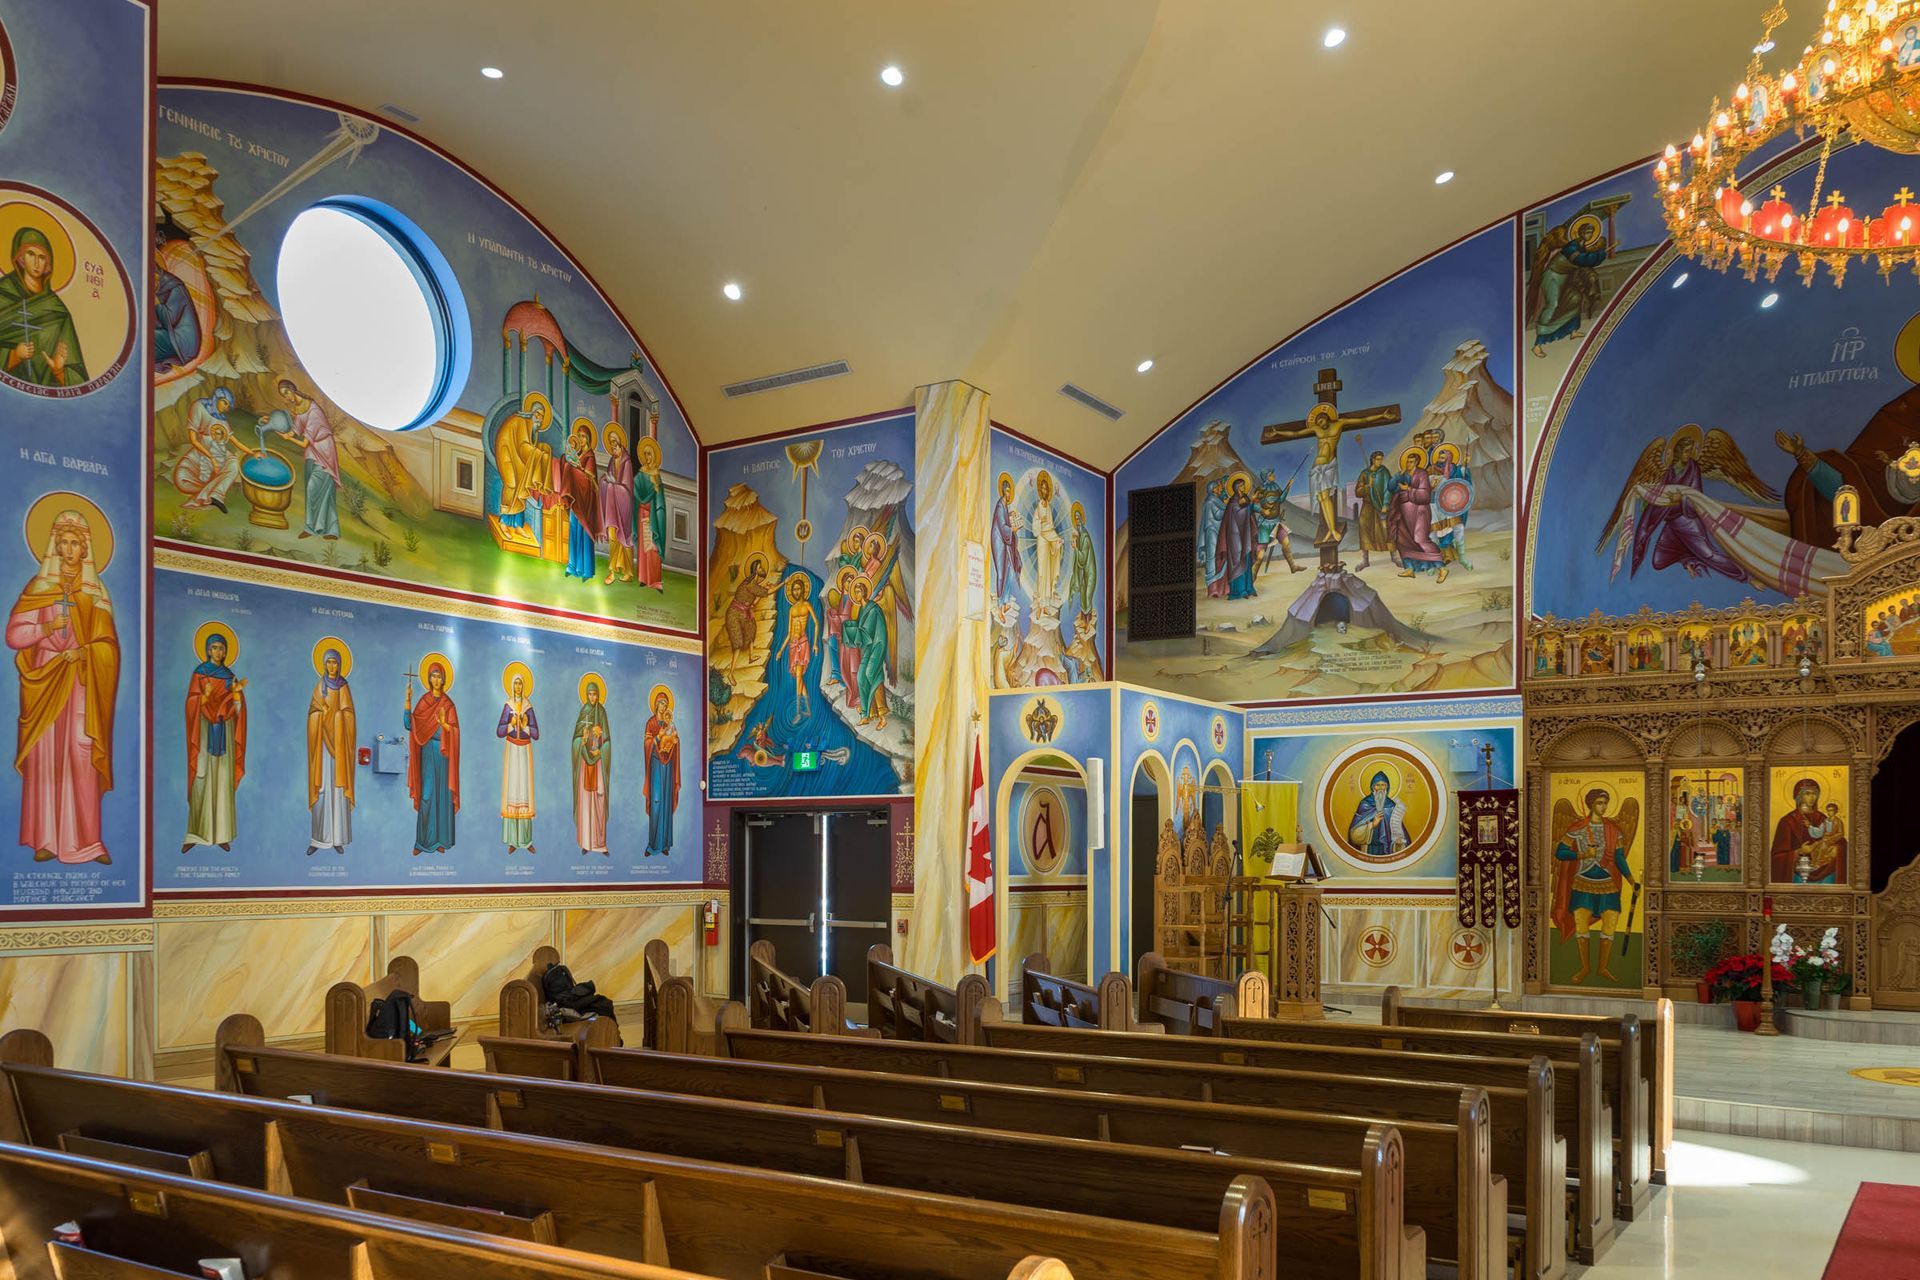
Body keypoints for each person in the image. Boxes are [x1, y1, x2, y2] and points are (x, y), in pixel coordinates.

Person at [7, 508, 118, 864]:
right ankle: (46, 839)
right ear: (54, 546)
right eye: (64, 542)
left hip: (81, 681)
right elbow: (14, 635)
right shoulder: (38, 587)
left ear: (85, 549)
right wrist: (46, 629)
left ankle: (87, 841)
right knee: (45, 757)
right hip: (44, 681)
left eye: (76, 543)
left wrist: (83, 653)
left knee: (81, 753)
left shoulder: (95, 591)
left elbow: (108, 647)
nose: (69, 549)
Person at [1551, 789, 1639, 984]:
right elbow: (1560, 852)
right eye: (1599, 802)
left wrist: (1631, 880)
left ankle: (1602, 968)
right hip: (1583, 881)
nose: (1603, 806)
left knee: (1610, 925)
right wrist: (1582, 855)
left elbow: (1618, 857)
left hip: (1608, 883)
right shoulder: (1578, 828)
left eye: (1605, 802)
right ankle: (1585, 968)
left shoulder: (1613, 829)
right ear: (1591, 804)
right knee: (1582, 925)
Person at [0, 226, 87, 389]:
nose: (36, 262)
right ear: (19, 257)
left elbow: (78, 377)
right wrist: (12, 355)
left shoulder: (57, 310)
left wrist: (59, 371)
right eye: (30, 254)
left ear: (48, 263)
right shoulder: (2, 295)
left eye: (42, 257)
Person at [182, 630, 245, 853]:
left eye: (223, 648)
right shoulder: (200, 674)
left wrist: (237, 696)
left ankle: (221, 834)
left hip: (225, 733)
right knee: (202, 779)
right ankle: (197, 834)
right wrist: (204, 698)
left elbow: (238, 711)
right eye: (216, 647)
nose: (220, 651)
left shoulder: (230, 677)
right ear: (208, 650)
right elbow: (191, 704)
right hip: (204, 732)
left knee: (223, 781)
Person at [1527, 213, 1611, 355]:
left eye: (1591, 232)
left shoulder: (1582, 246)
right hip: (1553, 276)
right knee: (1552, 305)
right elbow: (1581, 260)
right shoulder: (1571, 247)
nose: (1589, 235)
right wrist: (1601, 255)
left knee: (1575, 298)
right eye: (1587, 232)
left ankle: (1573, 330)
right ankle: (1538, 343)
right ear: (1581, 233)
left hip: (1566, 277)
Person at [405, 661, 460, 855]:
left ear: (444, 679)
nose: (436, 679)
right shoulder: (424, 702)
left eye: (439, 676)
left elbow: (454, 732)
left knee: (443, 797)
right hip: (428, 752)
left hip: (444, 754)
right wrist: (408, 701)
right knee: (427, 795)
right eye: (434, 675)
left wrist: (445, 724)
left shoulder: (449, 704)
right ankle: (422, 842)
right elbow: (409, 724)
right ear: (429, 678)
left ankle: (440, 841)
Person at [305, 645, 355, 856]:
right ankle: (319, 839)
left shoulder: (343, 687)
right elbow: (311, 715)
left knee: (337, 790)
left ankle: (337, 839)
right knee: (323, 789)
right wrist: (321, 715)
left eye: (335, 662)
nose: (332, 666)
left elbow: (349, 717)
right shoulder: (319, 688)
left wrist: (335, 719)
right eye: (328, 662)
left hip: (339, 750)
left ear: (340, 664)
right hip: (322, 748)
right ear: (324, 664)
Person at [277, 380, 341, 540]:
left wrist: (287, 438)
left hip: (324, 450)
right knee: (315, 489)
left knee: (317, 487)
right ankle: (321, 529)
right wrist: (276, 426)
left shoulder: (314, 411)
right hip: (312, 451)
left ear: (292, 390)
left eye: (286, 393)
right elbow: (296, 430)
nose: (286, 398)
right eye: (283, 396)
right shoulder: (299, 408)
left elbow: (304, 442)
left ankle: (318, 528)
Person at [172, 389, 242, 513]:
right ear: (217, 398)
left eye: (229, 406)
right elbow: (193, 440)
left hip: (220, 453)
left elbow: (235, 441)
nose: (226, 408)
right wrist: (211, 459)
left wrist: (252, 453)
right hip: (200, 455)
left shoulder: (222, 421)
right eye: (225, 403)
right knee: (181, 480)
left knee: (234, 464)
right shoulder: (199, 407)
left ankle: (216, 496)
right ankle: (212, 491)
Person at [493, 392, 556, 529]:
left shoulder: (533, 430)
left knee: (522, 485)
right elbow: (522, 447)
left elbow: (527, 447)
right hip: (507, 452)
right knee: (512, 484)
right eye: (537, 414)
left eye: (542, 416)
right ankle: (504, 521)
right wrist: (538, 454)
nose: (539, 418)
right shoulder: (523, 421)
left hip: (518, 458)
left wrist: (540, 451)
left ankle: (517, 524)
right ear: (531, 412)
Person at [1389, 449, 1449, 583]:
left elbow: (1425, 495)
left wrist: (1408, 490)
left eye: (1411, 462)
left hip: (1419, 512)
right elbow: (1391, 487)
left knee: (1420, 539)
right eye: (1407, 462)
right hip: (1404, 513)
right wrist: (1397, 476)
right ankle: (1409, 569)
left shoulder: (1421, 474)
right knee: (1402, 540)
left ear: (1416, 462)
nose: (1408, 464)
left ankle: (1442, 568)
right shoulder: (1403, 475)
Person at [496, 669, 538, 854]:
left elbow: (536, 734)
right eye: (516, 683)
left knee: (524, 794)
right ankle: (513, 839)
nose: (518, 687)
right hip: (512, 750)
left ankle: (526, 840)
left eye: (521, 683)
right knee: (513, 791)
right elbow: (499, 731)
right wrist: (512, 724)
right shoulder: (508, 706)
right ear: (512, 687)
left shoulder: (529, 706)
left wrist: (526, 725)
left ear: (524, 686)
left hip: (525, 751)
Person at [1770, 778, 1844, 883]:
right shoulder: (1787, 821)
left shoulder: (1824, 818)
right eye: (1807, 793)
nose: (1812, 797)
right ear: (1799, 796)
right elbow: (1777, 857)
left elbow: (1839, 839)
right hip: (1798, 871)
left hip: (1825, 868)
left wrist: (1836, 848)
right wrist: (1800, 851)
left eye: (1815, 793)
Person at [571, 677, 611, 857]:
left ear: (599, 695)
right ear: (586, 695)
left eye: (595, 694)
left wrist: (601, 741)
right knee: (586, 803)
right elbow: (575, 741)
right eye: (590, 694)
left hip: (598, 762)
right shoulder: (583, 712)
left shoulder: (602, 712)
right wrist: (583, 740)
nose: (593, 697)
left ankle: (600, 844)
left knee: (599, 801)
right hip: (585, 764)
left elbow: (608, 740)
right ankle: (587, 843)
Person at [560, 420, 600, 581]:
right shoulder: (577, 455)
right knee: (573, 530)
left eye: (584, 436)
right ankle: (572, 565)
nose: (581, 439)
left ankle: (586, 570)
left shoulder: (590, 456)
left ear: (589, 439)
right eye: (580, 436)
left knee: (584, 534)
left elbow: (589, 478)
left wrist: (576, 468)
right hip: (576, 499)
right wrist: (569, 462)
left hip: (585, 501)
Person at [847, 577, 890, 728]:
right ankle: (866, 714)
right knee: (860, 677)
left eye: (859, 591)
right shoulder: (861, 610)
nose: (857, 595)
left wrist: (851, 631)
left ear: (864, 592)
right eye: (855, 592)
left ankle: (882, 715)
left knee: (871, 673)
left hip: (877, 647)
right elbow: (862, 636)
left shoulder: (872, 608)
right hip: (868, 649)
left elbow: (866, 631)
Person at [772, 575, 816, 720]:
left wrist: (815, 643)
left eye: (798, 589)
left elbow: (816, 624)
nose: (796, 592)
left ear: (803, 590)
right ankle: (808, 709)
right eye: (794, 590)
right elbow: (789, 633)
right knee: (800, 678)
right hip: (793, 645)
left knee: (798, 676)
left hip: (803, 643)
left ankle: (798, 711)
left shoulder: (807, 605)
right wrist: (780, 650)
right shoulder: (791, 609)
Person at [597, 424, 637, 585]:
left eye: (615, 444)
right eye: (611, 444)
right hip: (612, 508)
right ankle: (612, 572)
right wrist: (606, 482)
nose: (613, 447)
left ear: (621, 444)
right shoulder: (611, 462)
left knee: (625, 540)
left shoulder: (627, 463)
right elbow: (606, 479)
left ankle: (628, 572)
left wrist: (614, 485)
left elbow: (627, 491)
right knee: (614, 538)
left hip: (623, 508)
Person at [643, 689, 679, 857]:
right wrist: (658, 737)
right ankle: (652, 845)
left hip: (668, 767)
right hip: (656, 766)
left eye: (666, 704)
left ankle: (665, 844)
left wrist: (674, 739)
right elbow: (647, 743)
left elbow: (675, 742)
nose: (664, 707)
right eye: (662, 703)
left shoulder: (669, 723)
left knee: (665, 803)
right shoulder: (651, 723)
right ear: (656, 704)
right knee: (656, 802)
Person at [1212, 474, 1259, 599]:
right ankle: (1239, 590)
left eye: (1244, 485)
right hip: (1234, 537)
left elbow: (1248, 512)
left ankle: (1248, 588)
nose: (1244, 488)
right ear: (1238, 487)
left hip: (1245, 535)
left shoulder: (1244, 499)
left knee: (1246, 559)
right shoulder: (1233, 502)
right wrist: (1250, 504)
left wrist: (1251, 504)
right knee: (1238, 560)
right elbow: (1239, 514)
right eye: (1242, 486)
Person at [632, 436, 668, 592]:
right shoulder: (640, 475)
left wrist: (658, 511)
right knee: (644, 548)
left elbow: (660, 502)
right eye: (645, 454)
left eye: (649, 454)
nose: (647, 457)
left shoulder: (657, 476)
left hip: (652, 515)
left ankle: (655, 580)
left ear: (654, 456)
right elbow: (635, 493)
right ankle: (643, 578)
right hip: (642, 515)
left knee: (653, 548)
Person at [1346, 771, 1408, 860]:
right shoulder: (1365, 804)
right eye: (1377, 785)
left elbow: (1398, 829)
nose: (1380, 788)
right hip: (1368, 848)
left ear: (1387, 787)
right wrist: (1372, 825)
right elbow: (1353, 834)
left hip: (1387, 849)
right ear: (1372, 787)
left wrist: (1398, 843)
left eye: (1383, 785)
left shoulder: (1391, 806)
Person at [723, 556, 776, 655]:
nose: (763, 569)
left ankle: (751, 657)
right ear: (756, 571)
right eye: (760, 568)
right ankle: (731, 669)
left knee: (751, 629)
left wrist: (762, 591)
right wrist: (784, 583)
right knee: (737, 642)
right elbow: (768, 592)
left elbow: (755, 601)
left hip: (744, 612)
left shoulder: (753, 584)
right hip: (735, 613)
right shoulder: (750, 584)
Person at [1354, 450, 1395, 570]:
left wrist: (1386, 504)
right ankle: (1365, 560)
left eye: (1381, 459)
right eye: (1378, 459)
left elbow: (1389, 488)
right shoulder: (1364, 473)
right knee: (1364, 528)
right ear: (1372, 459)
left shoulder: (1384, 472)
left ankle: (1394, 556)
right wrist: (1368, 486)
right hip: (1367, 506)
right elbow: (1358, 492)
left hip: (1381, 505)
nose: (1380, 462)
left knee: (1387, 529)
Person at [1030, 472, 1065, 606]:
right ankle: (1041, 601)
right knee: (1042, 571)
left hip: (1049, 537)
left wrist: (1056, 540)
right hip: (1042, 540)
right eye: (1042, 488)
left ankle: (1047, 600)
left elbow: (1050, 526)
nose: (1044, 491)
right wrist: (1040, 521)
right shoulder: (1038, 506)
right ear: (1040, 490)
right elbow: (1035, 526)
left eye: (1046, 488)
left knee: (1048, 570)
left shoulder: (1048, 506)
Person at [991, 473, 1021, 597]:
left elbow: (1004, 520)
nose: (1009, 494)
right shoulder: (999, 506)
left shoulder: (1004, 506)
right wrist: (1012, 529)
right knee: (1001, 571)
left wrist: (1010, 516)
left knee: (1009, 568)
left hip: (1004, 540)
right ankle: (999, 602)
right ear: (1003, 491)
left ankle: (1004, 601)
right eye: (1007, 491)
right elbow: (1002, 526)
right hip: (999, 541)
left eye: (1010, 491)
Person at [1068, 502, 1098, 615]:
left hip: (1090, 572)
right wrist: (1075, 542)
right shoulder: (1079, 536)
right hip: (1084, 572)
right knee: (1082, 593)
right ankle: (1084, 619)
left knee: (1087, 595)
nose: (1077, 520)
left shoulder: (1085, 537)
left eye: (1078, 518)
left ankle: (1088, 621)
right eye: (1075, 518)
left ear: (1082, 518)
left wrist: (1075, 548)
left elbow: (1083, 559)